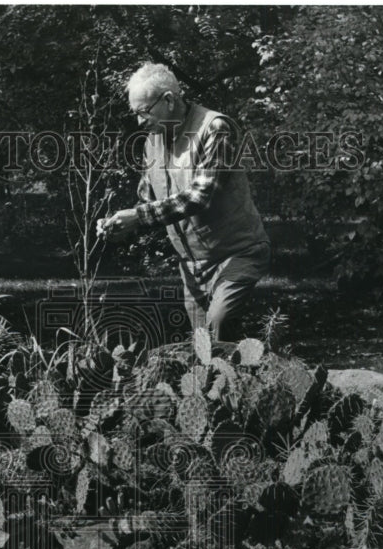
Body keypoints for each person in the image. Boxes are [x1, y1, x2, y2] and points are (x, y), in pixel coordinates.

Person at [101, 63, 270, 343]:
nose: (139, 121)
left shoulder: (215, 128)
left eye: (144, 111)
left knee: (220, 322)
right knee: (204, 349)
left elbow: (200, 196)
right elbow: (147, 201)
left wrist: (137, 216)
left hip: (238, 252)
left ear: (168, 100)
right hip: (192, 266)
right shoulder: (151, 143)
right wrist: (119, 225)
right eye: (136, 113)